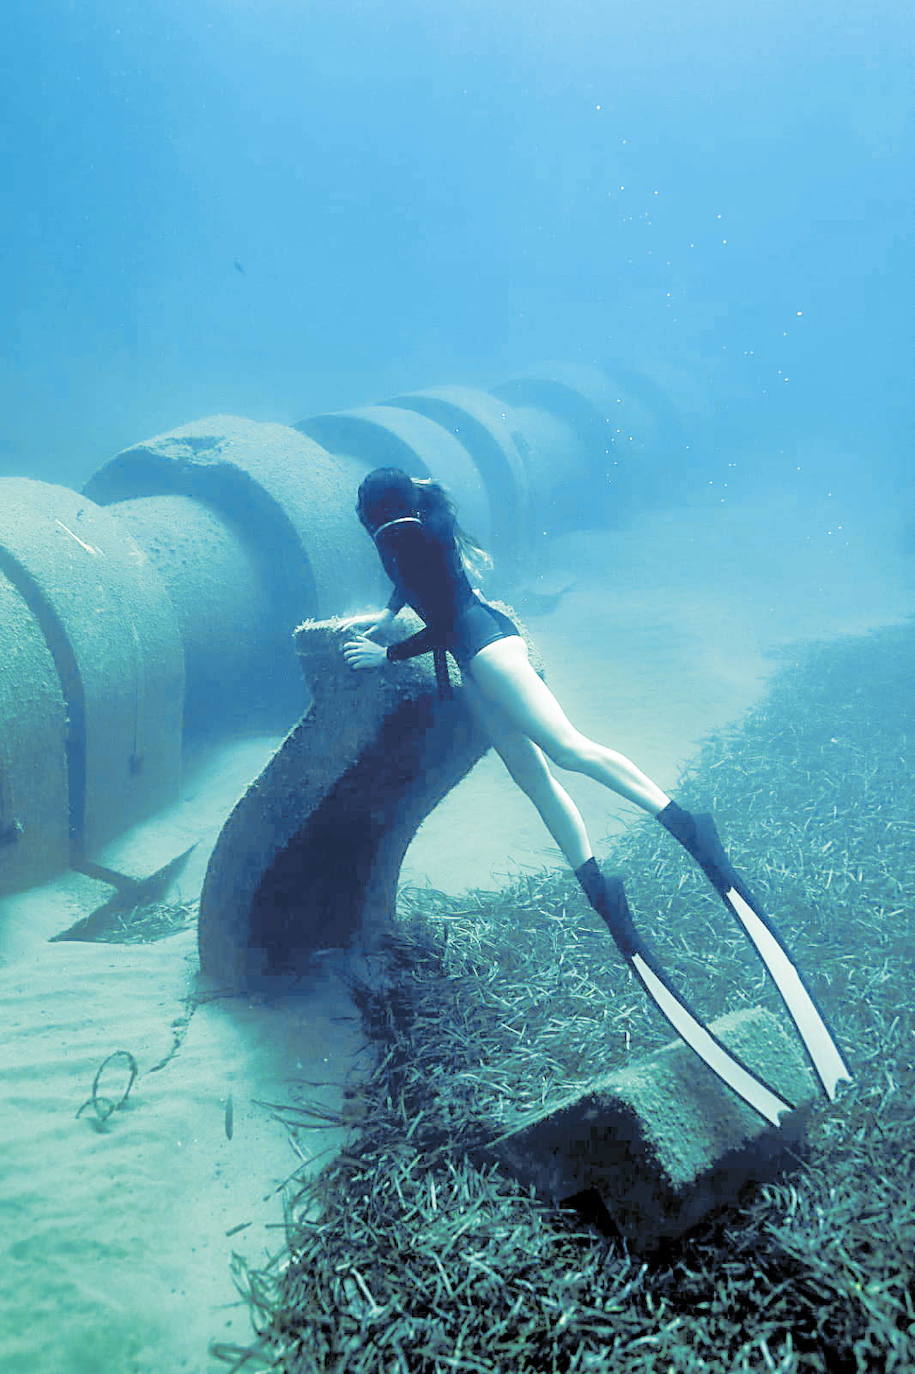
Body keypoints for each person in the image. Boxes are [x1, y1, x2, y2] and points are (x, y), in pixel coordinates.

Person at [341, 467, 850, 1120]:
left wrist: (386, 652)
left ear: (382, 511)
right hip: (471, 658)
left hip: (485, 643)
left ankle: (684, 822)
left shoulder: (414, 532)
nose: (380, 525)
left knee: (565, 748)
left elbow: (439, 610)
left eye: (380, 514)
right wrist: (384, 616)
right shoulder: (403, 533)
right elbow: (409, 579)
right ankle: (594, 883)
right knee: (532, 780)